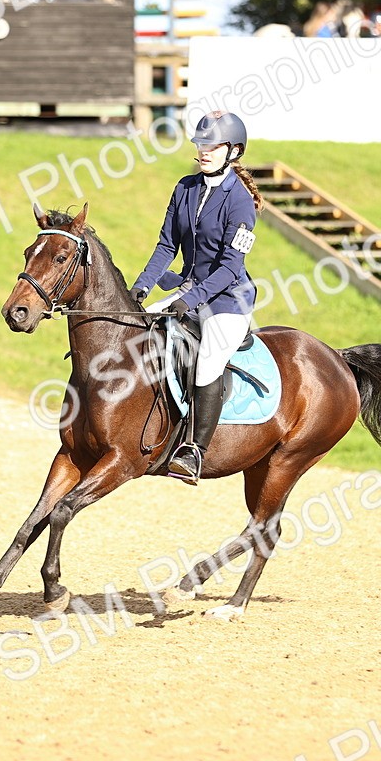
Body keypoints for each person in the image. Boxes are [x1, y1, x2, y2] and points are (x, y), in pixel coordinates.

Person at [130, 110, 263, 485]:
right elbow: (166, 245)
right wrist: (141, 286)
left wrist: (190, 300)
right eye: (200, 144)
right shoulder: (185, 187)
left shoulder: (240, 202)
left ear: (233, 151)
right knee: (138, 328)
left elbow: (229, 268)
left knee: (207, 361)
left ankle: (194, 451)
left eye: (212, 145)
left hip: (227, 301)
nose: (203, 151)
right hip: (188, 290)